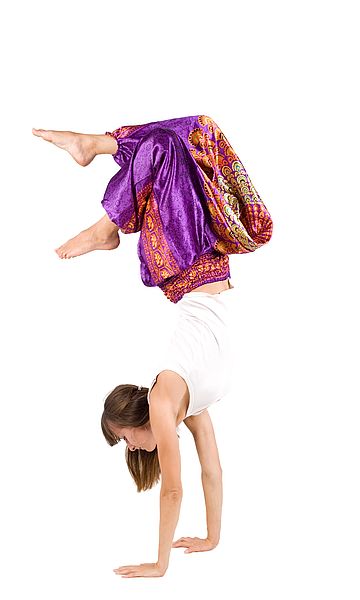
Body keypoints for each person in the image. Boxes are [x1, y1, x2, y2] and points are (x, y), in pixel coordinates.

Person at [32, 115, 272, 578]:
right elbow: (210, 473)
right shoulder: (189, 406)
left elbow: (173, 491)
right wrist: (212, 537)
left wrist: (158, 564)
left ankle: (106, 221)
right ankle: (96, 159)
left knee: (172, 143)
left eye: (125, 438)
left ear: (134, 418)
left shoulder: (166, 398)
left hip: (186, 264)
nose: (137, 449)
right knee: (182, 138)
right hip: (201, 260)